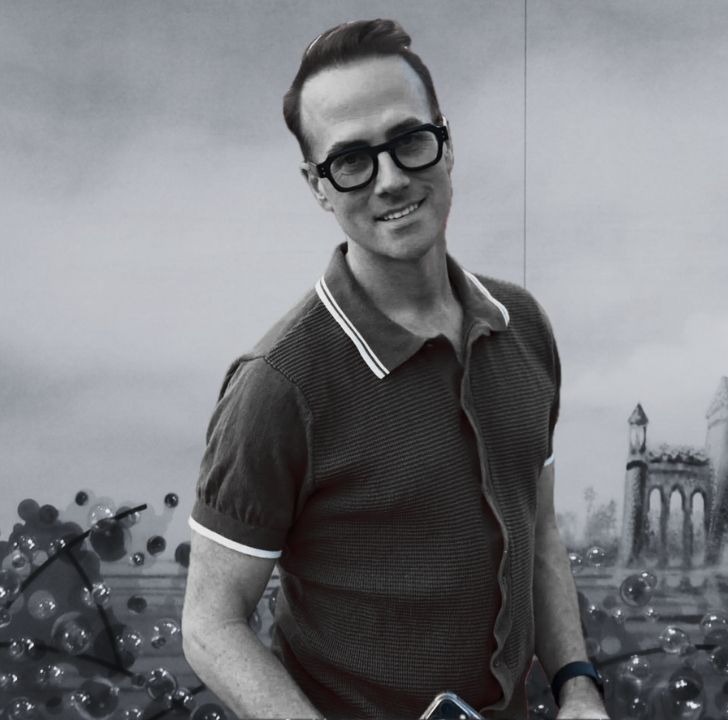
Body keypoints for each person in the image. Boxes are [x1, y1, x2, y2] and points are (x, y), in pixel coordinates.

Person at [180, 19, 609, 720]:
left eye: (409, 140)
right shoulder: (277, 386)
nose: (390, 180)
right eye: (351, 160)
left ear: (447, 141)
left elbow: (539, 534)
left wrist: (578, 685)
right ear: (317, 186)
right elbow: (211, 624)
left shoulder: (524, 326)